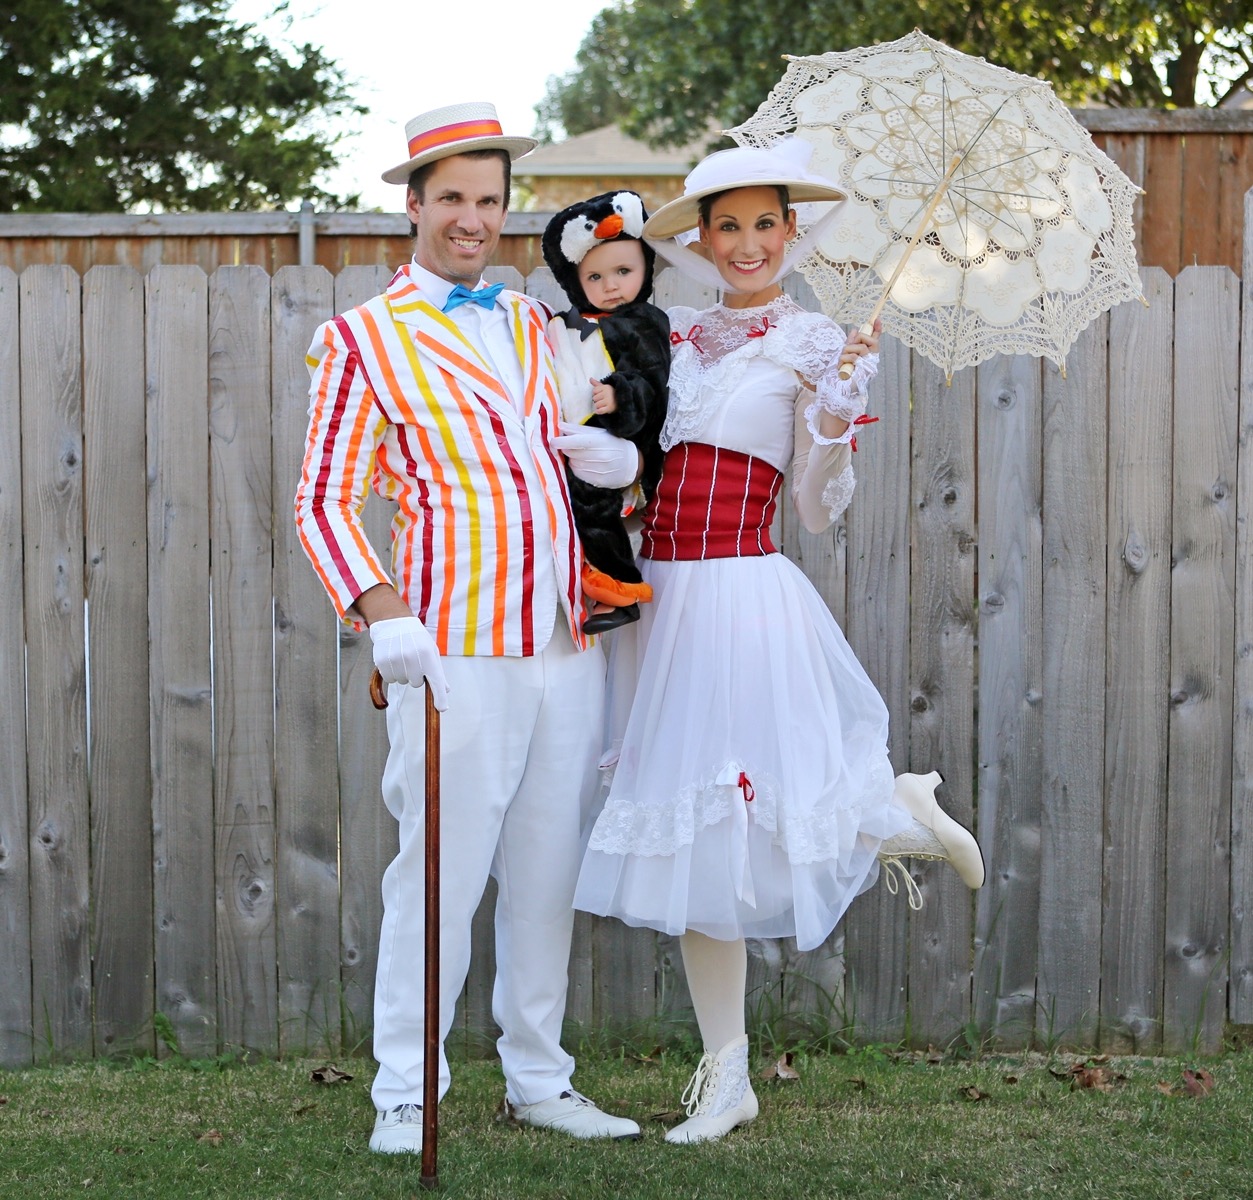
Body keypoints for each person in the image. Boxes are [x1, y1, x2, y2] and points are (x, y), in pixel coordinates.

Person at [573, 139, 986, 1144]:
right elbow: (633, 468)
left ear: (791, 232)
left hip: (740, 599)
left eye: (766, 223)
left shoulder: (816, 344)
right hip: (654, 601)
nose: (748, 242)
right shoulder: (665, 338)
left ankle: (889, 808)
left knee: (727, 824)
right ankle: (729, 1074)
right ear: (704, 240)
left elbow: (813, 505)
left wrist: (836, 415)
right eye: (728, 226)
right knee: (696, 844)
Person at [294, 101, 643, 1155]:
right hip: (451, 651)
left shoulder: (536, 324)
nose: (472, 218)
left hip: (561, 641)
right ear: (413, 202)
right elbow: (323, 498)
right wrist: (379, 610)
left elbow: (572, 452)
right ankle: (408, 1090)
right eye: (451, 198)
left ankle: (539, 1077)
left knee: (547, 871)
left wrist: (615, 469)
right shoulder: (362, 339)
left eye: (488, 200)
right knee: (437, 875)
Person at [540, 190, 671, 633]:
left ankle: (622, 588)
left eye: (623, 271)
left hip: (627, 440)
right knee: (578, 510)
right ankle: (599, 582)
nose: (611, 285)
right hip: (577, 439)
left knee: (592, 507)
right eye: (595, 277)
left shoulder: (643, 323)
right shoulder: (566, 323)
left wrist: (620, 396)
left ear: (645, 267)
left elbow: (654, 386)